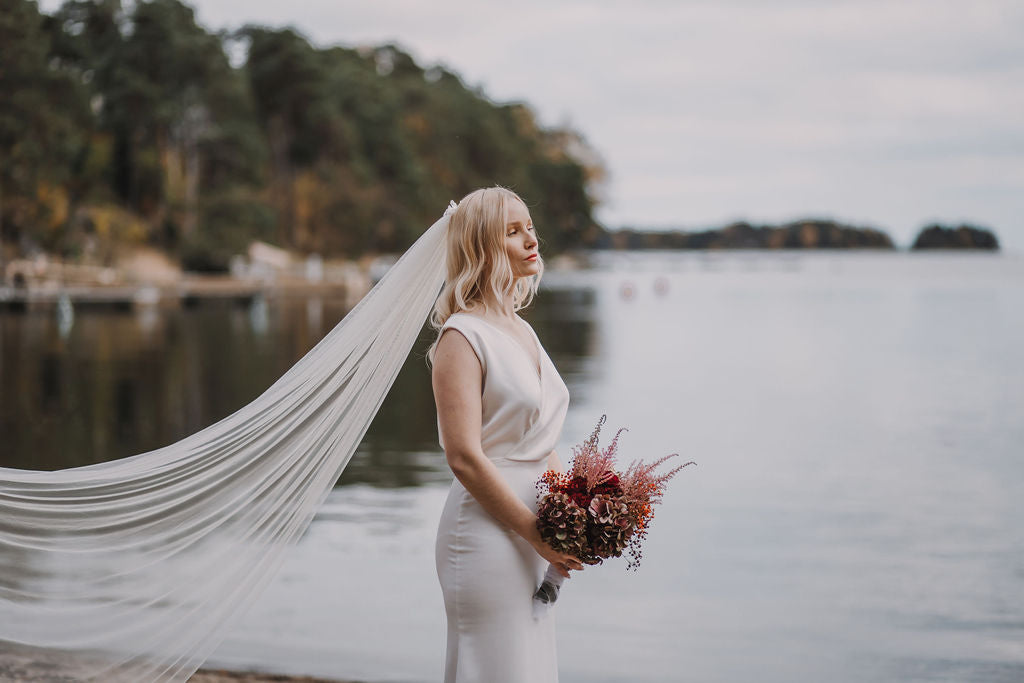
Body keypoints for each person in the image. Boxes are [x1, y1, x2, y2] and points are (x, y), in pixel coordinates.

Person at [427, 186, 584, 683]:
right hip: (489, 535)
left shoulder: (520, 327)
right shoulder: (462, 336)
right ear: (481, 248)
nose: (530, 240)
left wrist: (578, 508)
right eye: (511, 232)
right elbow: (464, 457)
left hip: (534, 529)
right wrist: (535, 533)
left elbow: (537, 441)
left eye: (529, 227)